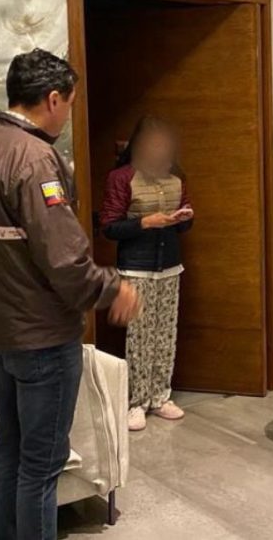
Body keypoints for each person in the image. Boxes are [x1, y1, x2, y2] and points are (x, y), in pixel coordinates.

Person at [0, 48, 141, 540]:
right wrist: (112, 288)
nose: (68, 115)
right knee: (41, 464)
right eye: (70, 104)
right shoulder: (34, 157)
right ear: (53, 98)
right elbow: (63, 258)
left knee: (8, 449)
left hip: (0, 331)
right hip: (40, 335)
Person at [99, 116, 194, 432]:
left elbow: (186, 223)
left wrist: (183, 218)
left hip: (170, 266)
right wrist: (145, 222)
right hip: (135, 267)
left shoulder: (176, 176)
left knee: (165, 334)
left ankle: (160, 396)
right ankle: (136, 402)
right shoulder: (121, 177)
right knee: (140, 337)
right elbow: (109, 226)